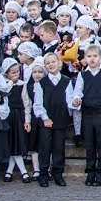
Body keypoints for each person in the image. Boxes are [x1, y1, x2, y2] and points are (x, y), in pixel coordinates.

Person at [68, 43, 101, 187]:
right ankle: (90, 172)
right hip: (88, 112)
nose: (92, 59)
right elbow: (78, 91)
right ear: (85, 58)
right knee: (89, 144)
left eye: (95, 56)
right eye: (89, 56)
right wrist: (77, 100)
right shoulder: (83, 75)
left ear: (100, 57)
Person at [31, 52, 72, 187]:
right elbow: (38, 104)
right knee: (45, 148)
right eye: (47, 63)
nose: (51, 65)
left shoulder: (67, 81)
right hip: (46, 121)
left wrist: (75, 104)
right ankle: (43, 174)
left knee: (58, 148)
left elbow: (69, 100)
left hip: (60, 119)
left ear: (59, 63)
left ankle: (58, 173)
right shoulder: (41, 83)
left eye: (53, 62)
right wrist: (45, 118)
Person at [2, 61, 32, 183]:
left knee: (17, 143)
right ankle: (22, 171)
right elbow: (4, 95)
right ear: (7, 74)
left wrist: (27, 120)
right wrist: (10, 83)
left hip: (18, 116)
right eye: (13, 72)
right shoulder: (4, 84)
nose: (16, 75)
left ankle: (11, 171)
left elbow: (26, 103)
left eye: (18, 72)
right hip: (7, 115)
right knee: (11, 143)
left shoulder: (22, 84)